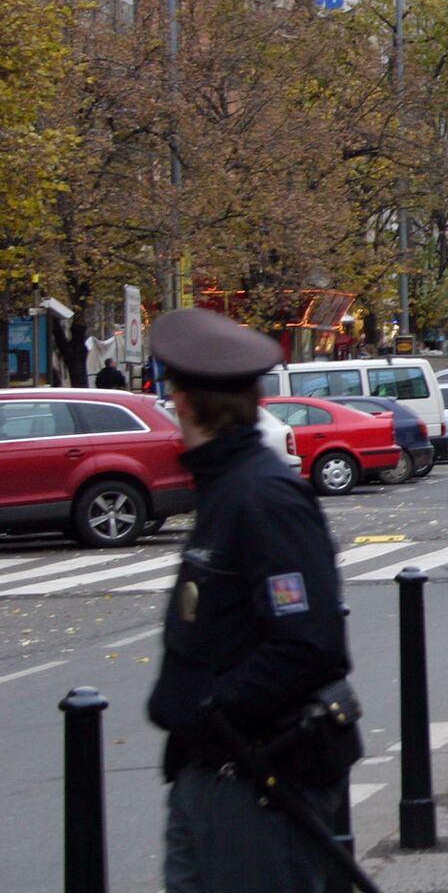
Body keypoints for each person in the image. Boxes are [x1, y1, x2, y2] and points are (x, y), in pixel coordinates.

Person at [144, 309, 354, 893]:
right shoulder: (229, 486)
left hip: (256, 778)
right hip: (216, 769)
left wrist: (212, 710)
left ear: (181, 401)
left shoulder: (260, 496)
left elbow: (307, 642)